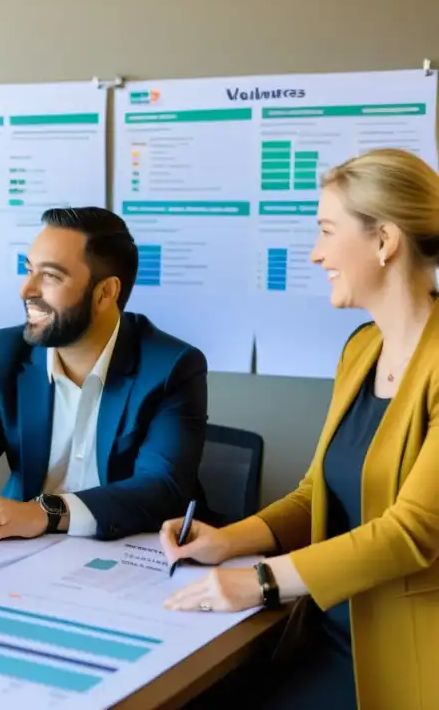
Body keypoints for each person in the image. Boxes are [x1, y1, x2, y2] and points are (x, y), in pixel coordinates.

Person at [159, 148, 439, 709]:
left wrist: (260, 579)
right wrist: (227, 540)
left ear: (384, 241)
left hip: (406, 653)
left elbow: (414, 531)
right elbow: (317, 491)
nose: (316, 254)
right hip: (323, 632)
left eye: (328, 231)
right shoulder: (362, 350)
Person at [0, 207, 209, 543]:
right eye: (28, 270)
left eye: (51, 276)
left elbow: (161, 487)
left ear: (105, 293)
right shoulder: (4, 353)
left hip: (127, 555)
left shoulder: (172, 367)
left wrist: (49, 511)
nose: (26, 290)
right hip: (21, 555)